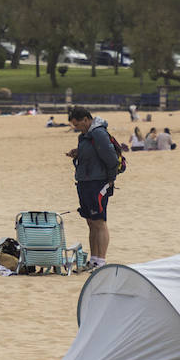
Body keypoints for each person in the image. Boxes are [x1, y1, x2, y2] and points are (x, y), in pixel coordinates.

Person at [66, 105, 118, 269]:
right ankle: (94, 259)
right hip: (85, 181)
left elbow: (111, 159)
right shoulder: (85, 135)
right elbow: (93, 154)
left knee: (99, 221)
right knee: (91, 221)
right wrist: (78, 153)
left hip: (98, 182)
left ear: (86, 119)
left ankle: (101, 261)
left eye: (78, 124)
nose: (77, 128)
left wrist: (110, 180)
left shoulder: (98, 133)